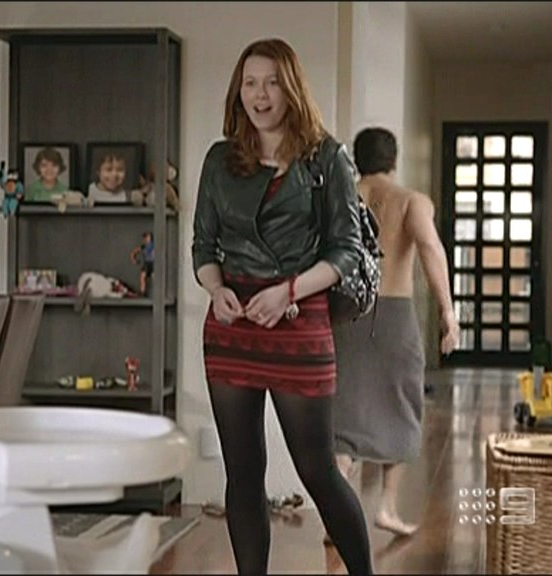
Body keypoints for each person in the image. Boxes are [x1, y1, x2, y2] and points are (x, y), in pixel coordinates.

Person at [192, 38, 374, 576]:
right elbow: (203, 246)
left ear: (291, 88)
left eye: (271, 82)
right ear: (238, 91)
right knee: (243, 473)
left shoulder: (327, 156)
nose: (260, 94)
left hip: (299, 320)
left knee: (317, 470)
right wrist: (216, 290)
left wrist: (289, 291)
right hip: (234, 328)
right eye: (250, 83)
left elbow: (347, 250)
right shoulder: (220, 160)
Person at [331, 126, 460, 537]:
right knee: (402, 404)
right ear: (394, 159)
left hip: (343, 313)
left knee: (344, 411)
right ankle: (386, 507)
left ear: (357, 159)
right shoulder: (410, 202)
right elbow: (431, 249)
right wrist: (448, 312)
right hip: (393, 314)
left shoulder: (339, 199)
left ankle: (340, 514)